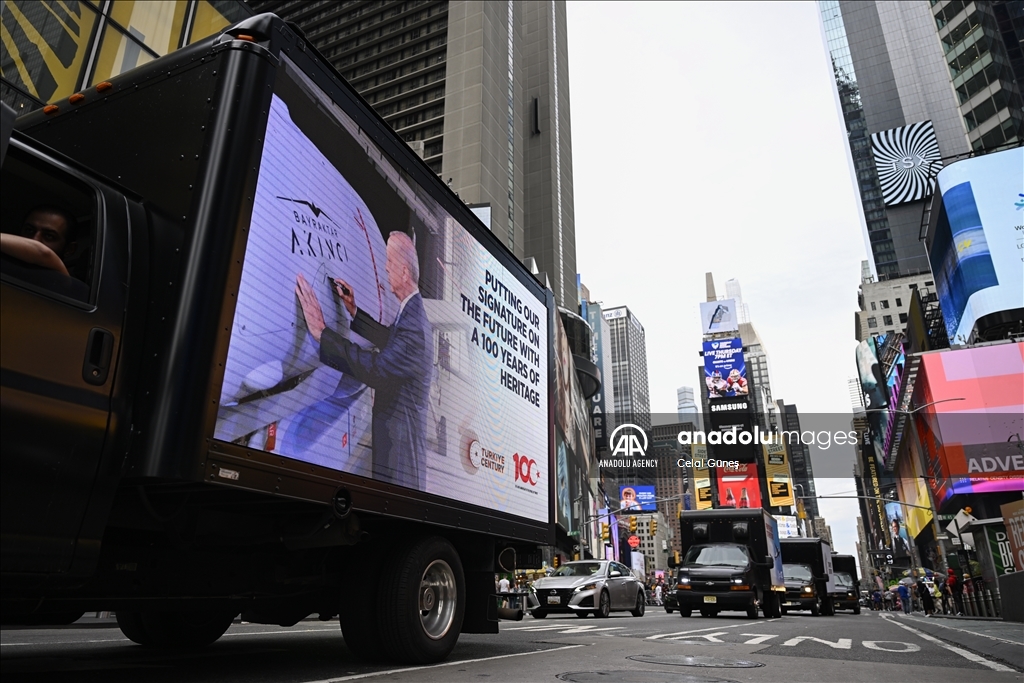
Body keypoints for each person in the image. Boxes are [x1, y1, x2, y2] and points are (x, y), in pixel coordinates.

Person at [295, 231, 432, 491]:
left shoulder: (414, 325)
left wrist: (323, 333)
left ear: (404, 272)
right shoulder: (413, 313)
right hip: (396, 450)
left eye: (389, 263)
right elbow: (390, 338)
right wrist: (354, 309)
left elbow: (377, 370)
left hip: (399, 461)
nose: (385, 268)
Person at [1, 206, 88, 300]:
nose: (34, 240)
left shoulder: (70, 286)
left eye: (49, 236)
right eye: (29, 230)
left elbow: (43, 253)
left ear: (69, 249)